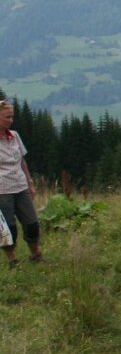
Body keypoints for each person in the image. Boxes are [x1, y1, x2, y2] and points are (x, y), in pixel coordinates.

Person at [0, 100, 43, 269]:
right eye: (7, 117)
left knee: (32, 222)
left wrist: (30, 183)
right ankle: (12, 260)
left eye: (12, 117)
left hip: (20, 185)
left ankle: (36, 254)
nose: (10, 120)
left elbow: (22, 161)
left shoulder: (14, 136)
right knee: (8, 227)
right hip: (2, 189)